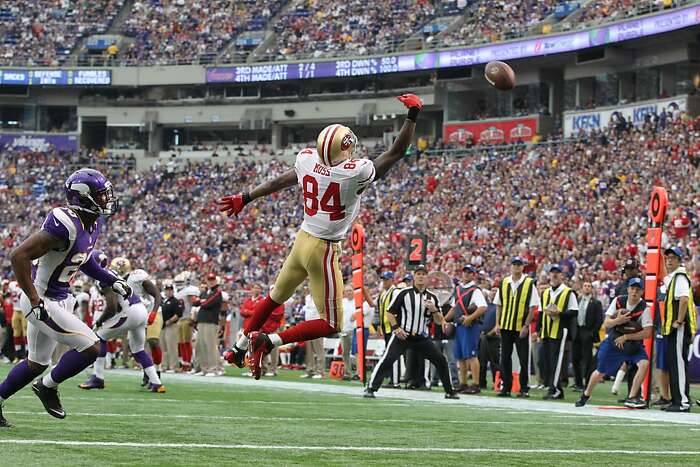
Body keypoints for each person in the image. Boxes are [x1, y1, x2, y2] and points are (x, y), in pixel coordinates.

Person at [220, 93, 424, 379]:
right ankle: (268, 342)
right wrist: (413, 115)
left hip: (302, 239)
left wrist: (247, 196)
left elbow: (283, 180)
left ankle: (238, 348)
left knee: (273, 298)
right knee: (331, 324)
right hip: (323, 249)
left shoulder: (306, 160)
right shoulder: (354, 172)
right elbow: (395, 152)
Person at [0, 169, 131, 428]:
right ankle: (47, 387)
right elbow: (18, 256)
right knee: (92, 347)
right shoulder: (65, 223)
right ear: (83, 198)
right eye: (101, 195)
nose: (107, 200)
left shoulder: (91, 222)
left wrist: (110, 279)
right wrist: (35, 299)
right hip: (41, 299)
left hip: (58, 299)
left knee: (36, 363)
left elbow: (84, 259)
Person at [364, 264, 459, 399]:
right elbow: (390, 313)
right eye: (418, 274)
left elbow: (439, 321)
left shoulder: (433, 297)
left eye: (423, 274)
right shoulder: (403, 293)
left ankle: (449, 391)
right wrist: (396, 328)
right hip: (404, 335)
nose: (421, 277)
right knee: (388, 359)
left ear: (427, 278)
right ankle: (371, 388)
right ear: (414, 277)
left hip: (421, 337)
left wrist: (434, 310)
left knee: (440, 360)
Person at [79, 251, 166, 393]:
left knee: (99, 337)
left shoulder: (103, 277)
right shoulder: (114, 275)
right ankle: (157, 383)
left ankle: (98, 378)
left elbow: (112, 306)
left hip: (131, 311)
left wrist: (100, 321)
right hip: (141, 310)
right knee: (138, 350)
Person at [575, 278, 653, 408]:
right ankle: (586, 394)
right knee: (600, 371)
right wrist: (618, 320)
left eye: (637, 290)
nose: (634, 292)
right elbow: (606, 323)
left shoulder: (644, 308)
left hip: (632, 343)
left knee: (644, 363)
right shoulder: (618, 301)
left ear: (642, 292)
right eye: (632, 289)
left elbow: (648, 332)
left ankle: (632, 397)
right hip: (614, 341)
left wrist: (627, 336)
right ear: (628, 289)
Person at [109, 257, 163, 386]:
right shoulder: (117, 282)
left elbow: (157, 295)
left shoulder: (137, 277)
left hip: (151, 311)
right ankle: (148, 373)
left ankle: (158, 371)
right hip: (137, 316)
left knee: (153, 341)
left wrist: (154, 312)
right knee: (137, 349)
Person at [494, 256, 540, 398]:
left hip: (521, 326)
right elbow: (499, 305)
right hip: (506, 325)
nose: (516, 267)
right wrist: (497, 323)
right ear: (511, 266)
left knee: (523, 358)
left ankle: (524, 388)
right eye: (514, 264)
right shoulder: (504, 282)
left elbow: (533, 307)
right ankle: (506, 387)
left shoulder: (529, 283)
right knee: (505, 358)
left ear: (522, 267)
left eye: (519, 265)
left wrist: (526, 325)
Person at [659, 247, 696, 412]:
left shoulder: (680, 277)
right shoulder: (674, 278)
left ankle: (682, 401)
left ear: (679, 260)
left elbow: (683, 299)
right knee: (675, 364)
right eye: (667, 258)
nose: (669, 261)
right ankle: (677, 399)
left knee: (678, 364)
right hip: (674, 329)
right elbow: (664, 278)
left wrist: (679, 321)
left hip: (679, 328)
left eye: (672, 258)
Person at [443, 265, 487, 394]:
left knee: (471, 355)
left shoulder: (475, 290)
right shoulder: (458, 289)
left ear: (473, 275)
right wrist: (444, 320)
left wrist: (470, 317)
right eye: (465, 272)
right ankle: (463, 383)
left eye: (469, 272)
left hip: (470, 326)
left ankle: (476, 384)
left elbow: (483, 307)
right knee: (460, 356)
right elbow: (454, 307)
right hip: (459, 326)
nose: (466, 274)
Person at [538, 264, 578, 400]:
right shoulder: (545, 292)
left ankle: (555, 389)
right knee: (546, 361)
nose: (554, 275)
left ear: (562, 275)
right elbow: (540, 312)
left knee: (556, 361)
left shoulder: (568, 292)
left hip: (560, 331)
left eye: (557, 273)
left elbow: (574, 311)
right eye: (552, 273)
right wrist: (538, 330)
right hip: (546, 331)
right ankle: (554, 388)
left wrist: (559, 313)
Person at [572, 281, 603, 392]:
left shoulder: (596, 303)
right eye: (585, 286)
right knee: (575, 358)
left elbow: (599, 319)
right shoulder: (577, 300)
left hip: (587, 331)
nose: (587, 288)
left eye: (589, 286)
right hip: (577, 331)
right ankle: (578, 383)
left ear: (592, 289)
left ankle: (587, 383)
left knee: (587, 359)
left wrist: (592, 333)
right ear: (582, 288)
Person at [193, 273, 223, 376]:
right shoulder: (205, 292)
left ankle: (212, 368)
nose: (211, 281)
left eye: (212, 279)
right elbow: (195, 302)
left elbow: (208, 303)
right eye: (209, 279)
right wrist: (202, 301)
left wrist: (201, 301)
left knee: (210, 345)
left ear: (215, 281)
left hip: (210, 321)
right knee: (201, 345)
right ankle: (204, 368)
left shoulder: (217, 292)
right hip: (202, 320)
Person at [376, 271, 402, 387]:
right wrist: (379, 325)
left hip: (393, 327)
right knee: (389, 354)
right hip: (386, 328)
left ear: (392, 280)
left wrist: (397, 326)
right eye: (383, 280)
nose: (384, 282)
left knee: (393, 354)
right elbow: (380, 311)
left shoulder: (395, 292)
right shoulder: (383, 293)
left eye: (386, 280)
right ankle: (392, 378)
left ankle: (395, 381)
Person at [160, 280, 182, 372]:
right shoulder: (164, 301)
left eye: (170, 290)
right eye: (167, 290)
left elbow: (178, 314)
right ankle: (164, 366)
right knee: (163, 347)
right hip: (163, 326)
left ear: (173, 291)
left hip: (171, 326)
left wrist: (170, 321)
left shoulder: (175, 301)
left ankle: (174, 366)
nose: (169, 291)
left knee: (172, 346)